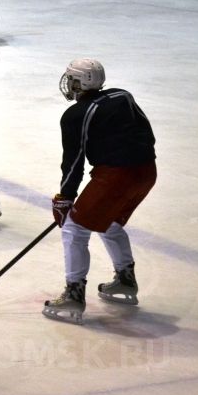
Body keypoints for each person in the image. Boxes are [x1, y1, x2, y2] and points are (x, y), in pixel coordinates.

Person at [42, 58, 156, 325]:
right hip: (147, 171)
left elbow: (74, 161)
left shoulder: (75, 115)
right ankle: (125, 281)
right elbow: (147, 135)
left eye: (72, 79)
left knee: (74, 229)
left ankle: (73, 294)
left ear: (81, 83)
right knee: (111, 223)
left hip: (116, 177)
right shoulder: (122, 96)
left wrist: (65, 198)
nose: (68, 84)